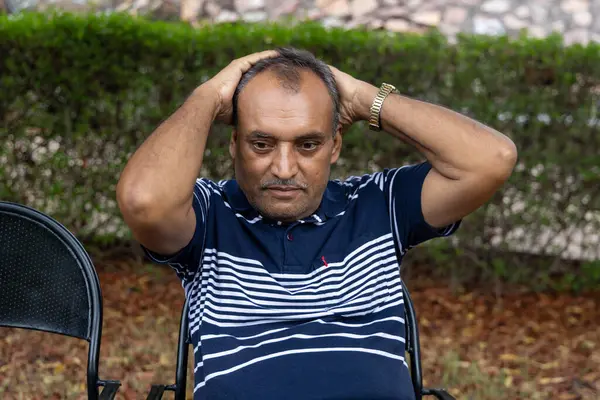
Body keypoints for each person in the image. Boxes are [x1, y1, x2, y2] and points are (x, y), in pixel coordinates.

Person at [116, 47, 517, 399]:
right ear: (233, 144)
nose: (285, 168)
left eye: (308, 144)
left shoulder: (379, 204)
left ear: (335, 145)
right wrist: (206, 97)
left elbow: (491, 159)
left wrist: (365, 99)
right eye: (261, 144)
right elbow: (144, 201)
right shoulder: (208, 213)